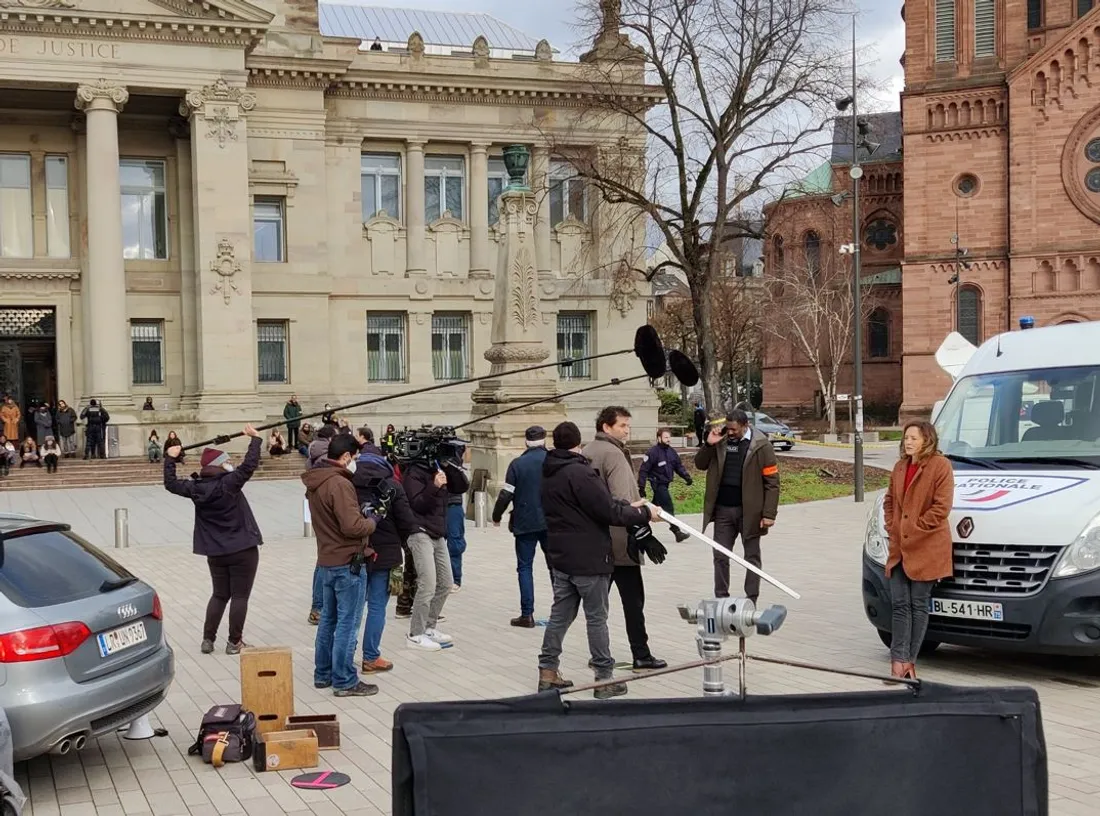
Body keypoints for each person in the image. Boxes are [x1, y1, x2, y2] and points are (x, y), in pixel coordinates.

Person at [537, 421, 660, 699]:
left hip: (561, 556)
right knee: (597, 618)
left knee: (560, 616)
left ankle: (547, 672)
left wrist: (629, 507)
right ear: (577, 443)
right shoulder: (580, 472)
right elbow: (606, 511)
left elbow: (595, 506)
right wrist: (644, 515)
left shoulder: (548, 471)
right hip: (589, 557)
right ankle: (604, 679)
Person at [164, 425, 264, 656]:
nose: (230, 464)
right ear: (220, 464)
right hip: (242, 548)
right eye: (227, 460)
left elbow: (170, 483)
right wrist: (255, 440)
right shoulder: (229, 483)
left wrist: (169, 460)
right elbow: (249, 465)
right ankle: (234, 642)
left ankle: (207, 640)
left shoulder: (195, 487)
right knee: (240, 595)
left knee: (219, 594)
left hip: (215, 551)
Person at [583, 406, 668, 672]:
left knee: (597, 604)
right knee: (633, 601)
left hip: (594, 539)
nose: (627, 430)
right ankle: (640, 654)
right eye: (622, 426)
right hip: (621, 540)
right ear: (606, 427)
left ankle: (599, 653)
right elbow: (623, 500)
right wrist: (644, 515)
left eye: (627, 426)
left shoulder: (587, 452)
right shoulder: (613, 454)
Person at [302, 433, 382, 697]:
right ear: (346, 457)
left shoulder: (317, 480)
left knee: (328, 620)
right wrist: (372, 520)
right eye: (355, 458)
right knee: (348, 622)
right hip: (348, 562)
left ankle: (322, 673)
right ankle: (345, 679)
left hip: (327, 559)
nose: (355, 463)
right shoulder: (339, 483)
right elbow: (352, 527)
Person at [883, 420, 954, 681]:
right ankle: (898, 662)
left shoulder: (940, 465)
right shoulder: (900, 467)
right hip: (900, 547)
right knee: (899, 605)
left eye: (914, 437)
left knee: (917, 604)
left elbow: (941, 507)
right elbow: (889, 500)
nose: (908, 442)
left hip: (927, 547)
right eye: (906, 437)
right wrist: (892, 525)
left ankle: (909, 663)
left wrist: (915, 527)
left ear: (927, 440)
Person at [695, 409, 780, 604]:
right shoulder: (720, 441)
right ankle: (721, 598)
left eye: (734, 429)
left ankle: (751, 598)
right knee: (720, 555)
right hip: (723, 510)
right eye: (728, 428)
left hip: (750, 512)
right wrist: (709, 444)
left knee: (751, 556)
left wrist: (769, 514)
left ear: (745, 425)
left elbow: (772, 482)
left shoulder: (761, 446)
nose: (730, 432)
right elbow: (700, 464)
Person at [353, 442, 422, 673]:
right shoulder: (392, 484)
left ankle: (344, 655)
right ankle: (371, 657)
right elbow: (406, 521)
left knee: (352, 608)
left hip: (355, 554)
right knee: (376, 607)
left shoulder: (347, 484)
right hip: (386, 555)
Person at [402, 445, 469, 650]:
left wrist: (451, 466)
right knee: (428, 583)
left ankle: (429, 626)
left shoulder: (441, 468)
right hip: (419, 531)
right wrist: (434, 485)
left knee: (446, 582)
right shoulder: (413, 472)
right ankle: (416, 633)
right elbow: (418, 504)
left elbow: (461, 486)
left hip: (438, 532)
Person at [493, 425, 551, 627]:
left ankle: (527, 614)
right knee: (555, 566)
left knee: (525, 567)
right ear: (545, 440)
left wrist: (496, 515)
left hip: (525, 521)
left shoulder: (517, 464)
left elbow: (506, 493)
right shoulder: (553, 461)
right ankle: (561, 611)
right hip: (550, 520)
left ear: (526, 442)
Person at [307, 425, 341, 625]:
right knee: (323, 563)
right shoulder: (325, 460)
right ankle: (318, 607)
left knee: (322, 560)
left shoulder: (314, 454)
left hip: (318, 511)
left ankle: (318, 606)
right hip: (328, 513)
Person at [638, 428, 693, 543]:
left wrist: (686, 477)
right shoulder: (652, 453)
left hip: (666, 483)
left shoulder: (671, 452)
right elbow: (643, 471)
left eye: (669, 437)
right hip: (657, 484)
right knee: (668, 507)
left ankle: (637, 526)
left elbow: (678, 466)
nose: (668, 440)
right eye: (666, 437)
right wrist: (641, 487)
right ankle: (677, 531)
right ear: (659, 438)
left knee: (650, 508)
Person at [444, 443, 470, 592]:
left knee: (454, 542)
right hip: (438, 505)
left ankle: (455, 578)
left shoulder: (454, 457)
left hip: (453, 503)